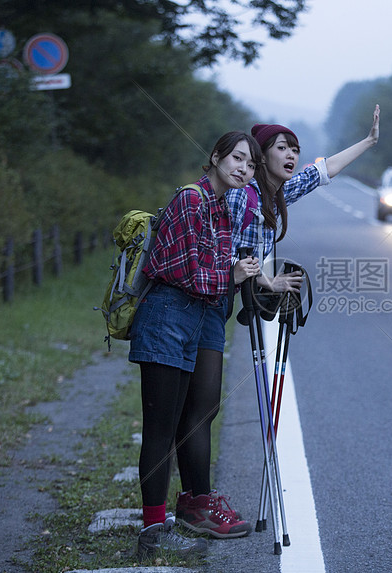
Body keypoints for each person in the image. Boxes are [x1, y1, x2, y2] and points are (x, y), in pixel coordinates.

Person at [128, 131, 264, 558]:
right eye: (238, 158)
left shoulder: (222, 207)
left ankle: (189, 507)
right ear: (215, 156)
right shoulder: (190, 200)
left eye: (251, 165)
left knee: (192, 415)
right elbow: (184, 271)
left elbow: (211, 269)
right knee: (161, 427)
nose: (244, 168)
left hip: (198, 316)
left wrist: (249, 276)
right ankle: (152, 529)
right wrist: (234, 275)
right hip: (167, 316)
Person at [227, 104, 380, 292]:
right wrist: (264, 280)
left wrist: (369, 141)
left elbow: (323, 170)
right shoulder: (241, 194)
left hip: (219, 301)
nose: (291, 154)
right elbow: (218, 252)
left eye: (295, 150)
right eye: (282, 148)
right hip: (198, 303)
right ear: (263, 157)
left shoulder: (275, 195)